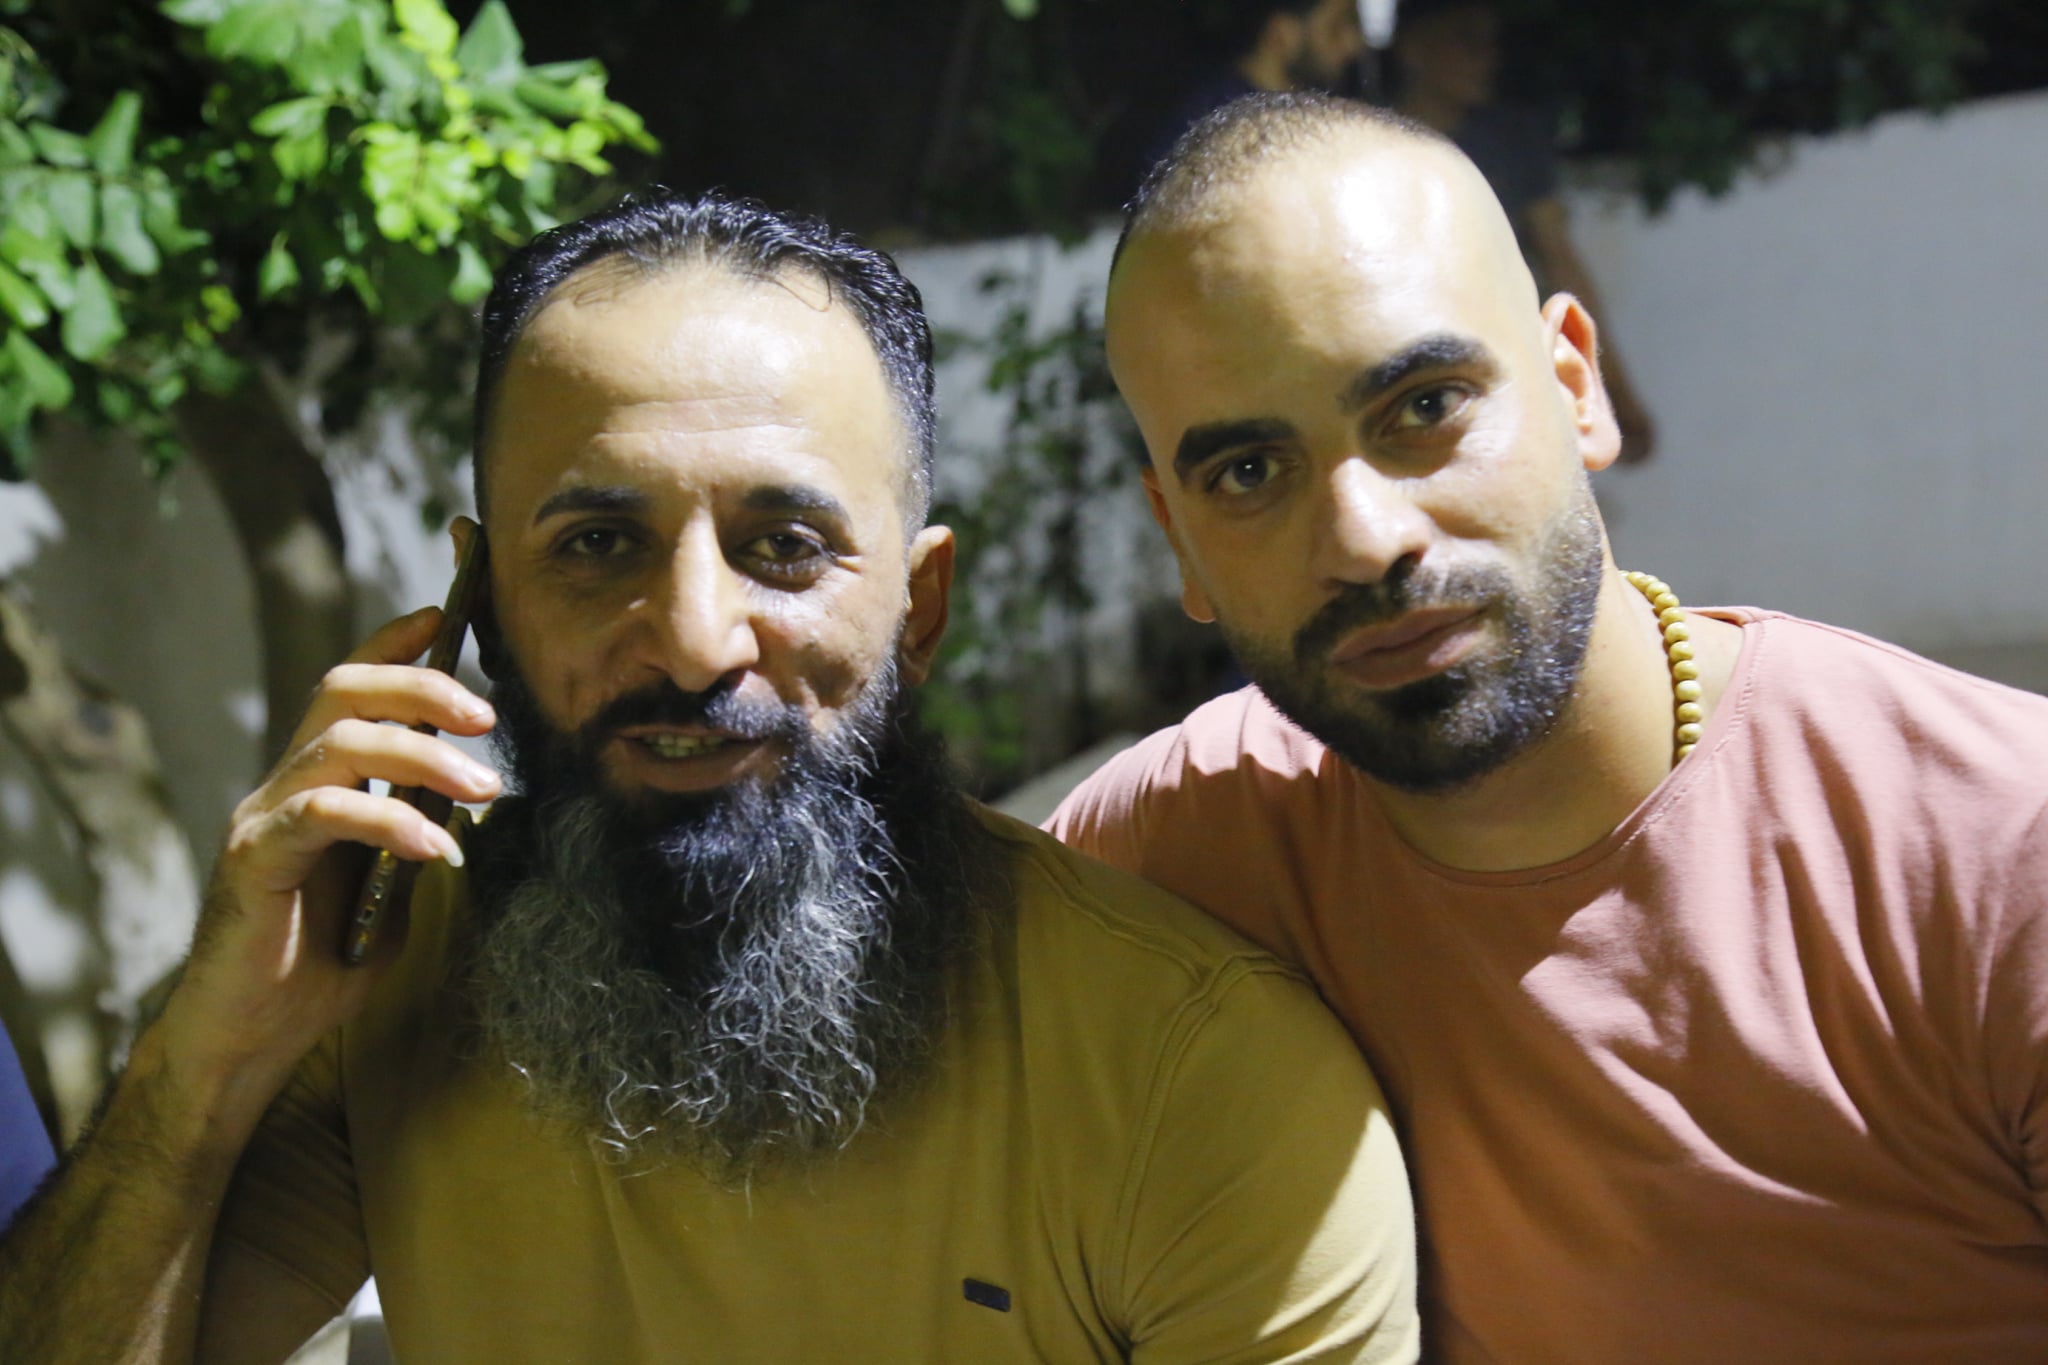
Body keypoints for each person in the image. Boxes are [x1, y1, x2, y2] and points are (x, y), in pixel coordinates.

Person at [0, 192, 1419, 1363]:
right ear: (477, 605)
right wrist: (204, 1061)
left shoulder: (1203, 1088)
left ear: (918, 610)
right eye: (595, 545)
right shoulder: (382, 985)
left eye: (784, 546)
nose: (691, 641)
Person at [1050, 93, 2048, 1362]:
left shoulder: (1992, 854)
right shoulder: (1157, 864)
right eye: (1248, 473)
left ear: (1575, 386)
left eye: (1423, 407)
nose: (1362, 538)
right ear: (1178, 540)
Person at [1389, 0, 1656, 461]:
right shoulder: (1362, 144)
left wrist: (1612, 389)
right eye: (1466, 39)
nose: (1485, 58)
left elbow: (1561, 258)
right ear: (1414, 48)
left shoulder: (1507, 140)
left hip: (1495, 364)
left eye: (1490, 44)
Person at [1136, 0, 1369, 182]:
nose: (1352, 44)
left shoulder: (1312, 111)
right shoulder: (1211, 117)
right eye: (1336, 28)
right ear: (1281, 34)